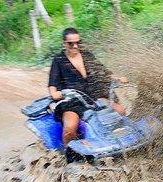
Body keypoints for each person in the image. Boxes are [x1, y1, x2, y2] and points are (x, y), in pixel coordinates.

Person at [48, 28, 126, 160]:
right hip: (72, 101)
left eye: (78, 42)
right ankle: (69, 156)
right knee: (70, 128)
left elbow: (103, 71)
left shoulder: (87, 55)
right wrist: (55, 93)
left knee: (120, 111)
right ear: (64, 43)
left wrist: (117, 78)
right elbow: (52, 84)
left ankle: (116, 141)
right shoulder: (59, 60)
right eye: (71, 43)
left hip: (93, 96)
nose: (75, 46)